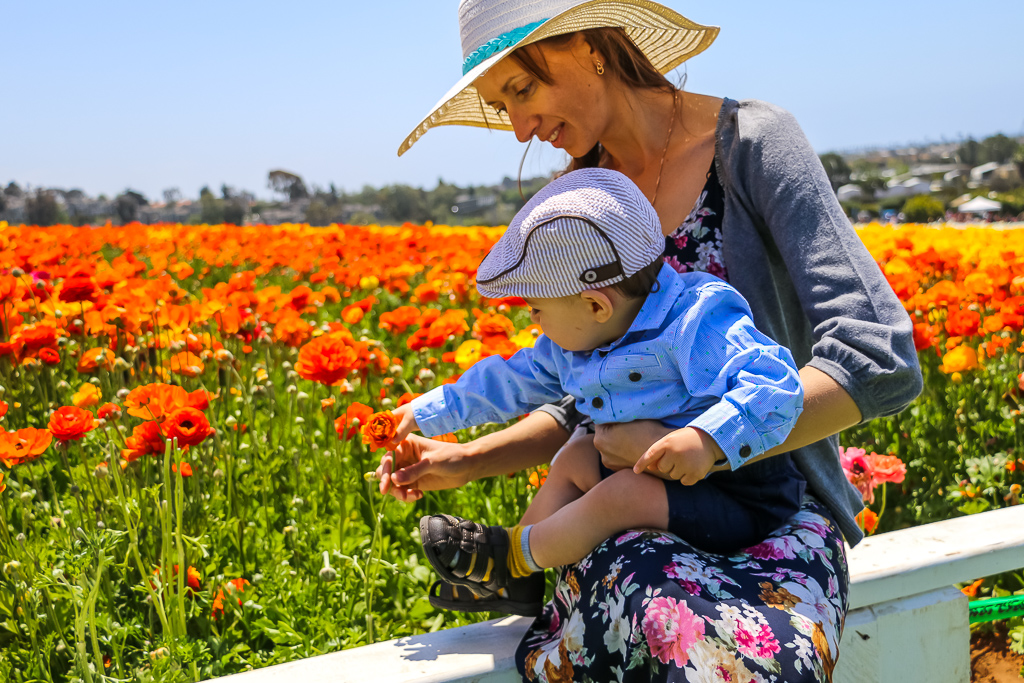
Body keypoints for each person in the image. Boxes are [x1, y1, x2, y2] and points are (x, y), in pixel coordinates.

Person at [378, 1, 923, 680]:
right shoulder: (582, 200)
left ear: (590, 45)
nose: (519, 128)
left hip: (773, 515)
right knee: (650, 604)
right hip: (624, 523)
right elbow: (593, 392)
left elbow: (880, 359)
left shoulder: (753, 144)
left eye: (522, 90)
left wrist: (703, 444)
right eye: (500, 106)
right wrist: (464, 457)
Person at [387, 167, 806, 617]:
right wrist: (426, 411)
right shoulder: (576, 344)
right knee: (574, 457)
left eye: (537, 309)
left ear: (594, 305)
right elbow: (511, 380)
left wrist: (707, 439)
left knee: (618, 494)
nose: (534, 323)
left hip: (737, 494)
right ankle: (517, 579)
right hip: (657, 483)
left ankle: (510, 554)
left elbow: (776, 382)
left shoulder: (693, 321)